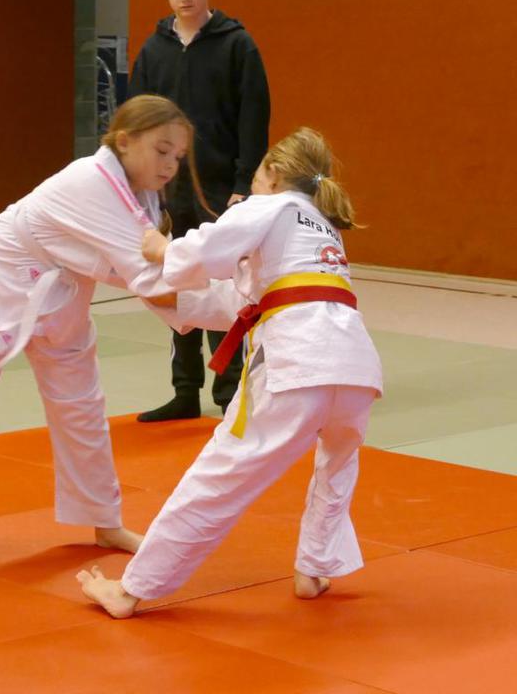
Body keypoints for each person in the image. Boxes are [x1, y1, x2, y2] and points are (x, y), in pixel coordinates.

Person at [76, 127, 383, 618]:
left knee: (220, 474)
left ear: (274, 173)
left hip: (296, 363)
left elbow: (203, 251)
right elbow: (240, 301)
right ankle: (314, 568)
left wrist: (161, 248)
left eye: (257, 175)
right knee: (337, 467)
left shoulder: (270, 205)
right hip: (355, 368)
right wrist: (163, 292)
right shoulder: (321, 226)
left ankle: (131, 589)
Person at [0, 95, 214, 552]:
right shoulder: (91, 181)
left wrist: (225, 293)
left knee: (82, 408)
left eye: (177, 156)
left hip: (63, 291)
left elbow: (154, 275)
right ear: (124, 141)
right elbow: (151, 281)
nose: (170, 165)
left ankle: (104, 521)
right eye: (161, 150)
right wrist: (239, 299)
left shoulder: (142, 196)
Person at [129, 0, 270, 422]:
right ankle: (185, 389)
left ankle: (229, 392)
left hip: (221, 190)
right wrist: (142, 184)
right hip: (170, 190)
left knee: (223, 291)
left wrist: (244, 184)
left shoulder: (237, 46)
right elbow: (138, 119)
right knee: (177, 285)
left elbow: (253, 118)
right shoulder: (154, 51)